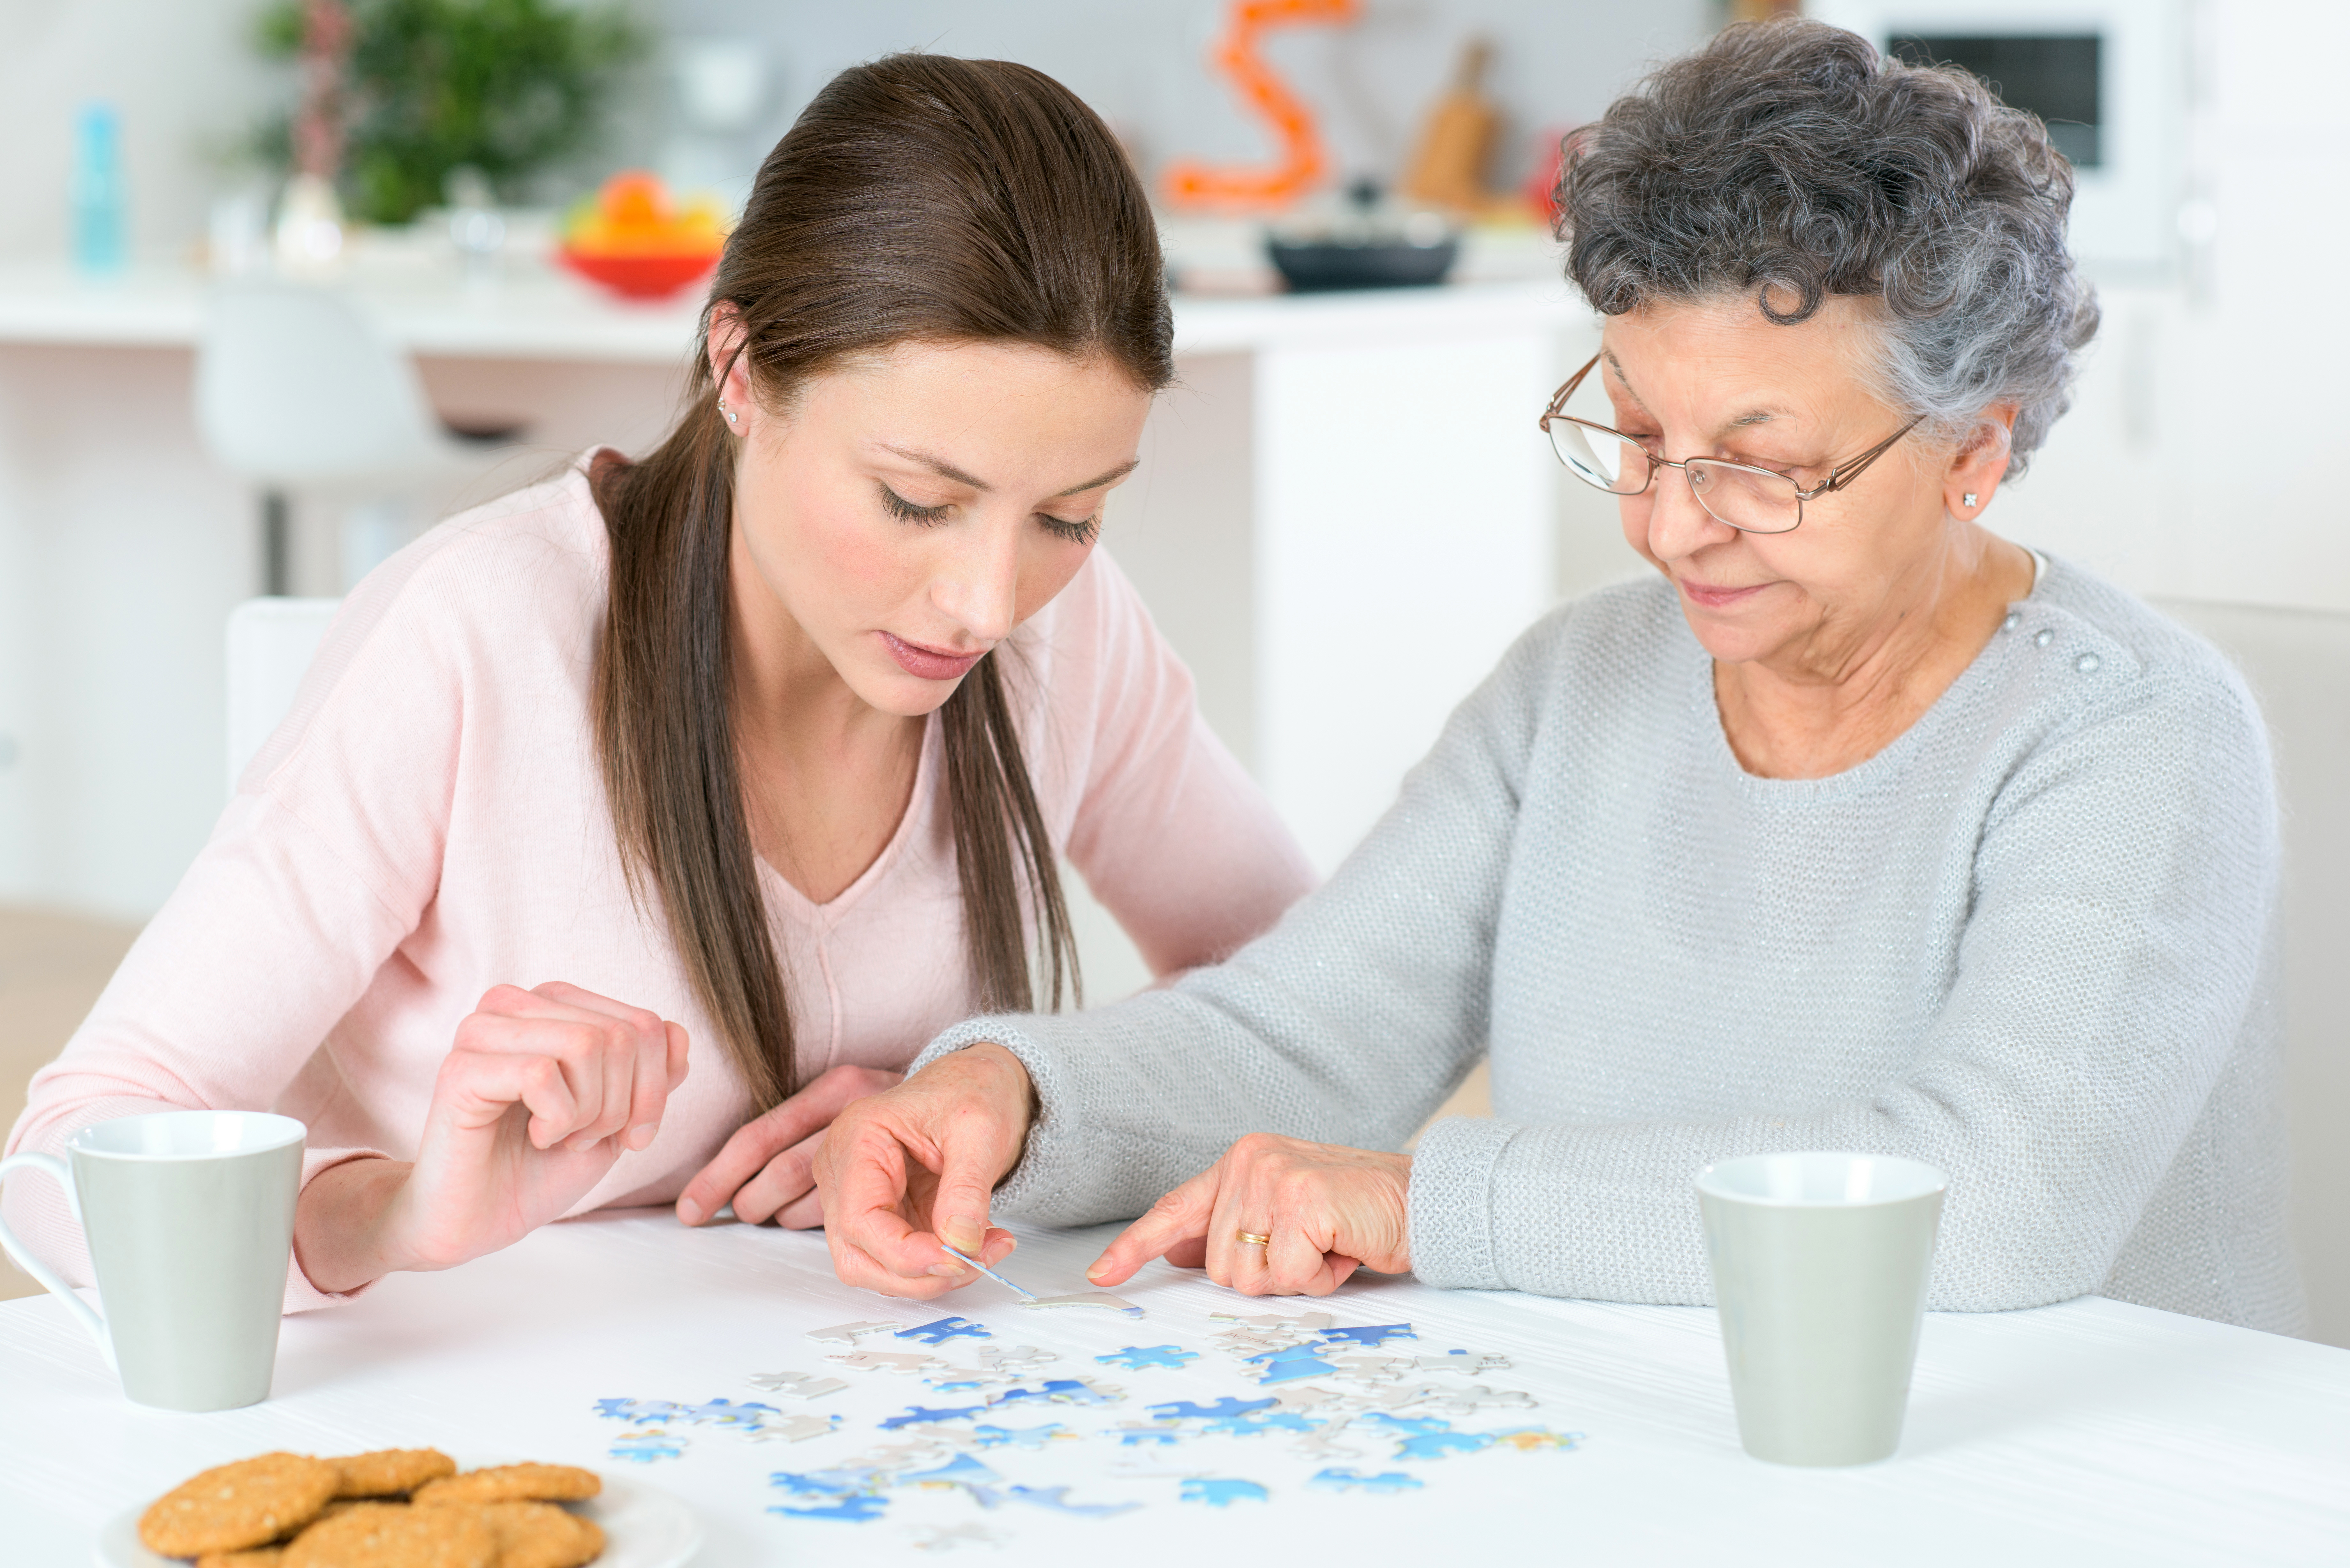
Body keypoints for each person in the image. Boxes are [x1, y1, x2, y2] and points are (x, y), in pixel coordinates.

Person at [812, 20, 2303, 1334]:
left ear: (1973, 453)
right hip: (1633, 1440)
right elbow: (1308, 1037)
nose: (1666, 525)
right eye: (1638, 434)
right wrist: (1011, 1094)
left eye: (1763, 469)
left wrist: (1429, 1205)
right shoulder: (1579, 680)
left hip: (2064, 1480)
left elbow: (1993, 1201)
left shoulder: (2131, 730)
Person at [2, 56, 1314, 1307]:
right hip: (487, 1413)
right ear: (740, 372)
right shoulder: (479, 632)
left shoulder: (1068, 639)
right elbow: (67, 1156)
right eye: (918, 501)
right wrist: (396, 1213)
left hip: (871, 1437)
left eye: (1070, 518)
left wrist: (1011, 1090)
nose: (987, 601)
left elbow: (1322, 1005)